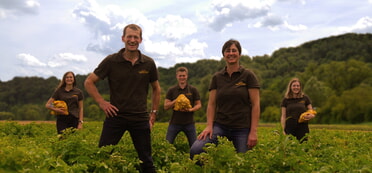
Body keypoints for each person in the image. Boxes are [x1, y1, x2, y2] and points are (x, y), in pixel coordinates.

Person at [84, 24, 160, 173]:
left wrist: (153, 114)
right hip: (115, 116)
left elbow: (156, 88)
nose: (132, 40)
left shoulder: (148, 63)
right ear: (123, 38)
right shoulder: (111, 61)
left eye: (135, 37)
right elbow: (89, 82)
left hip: (139, 118)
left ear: (140, 40)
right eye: (129, 37)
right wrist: (102, 102)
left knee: (146, 161)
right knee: (102, 156)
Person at [190, 39, 260, 160]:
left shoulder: (248, 76)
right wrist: (209, 126)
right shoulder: (217, 77)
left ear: (239, 54)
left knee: (243, 162)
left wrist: (253, 131)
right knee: (196, 150)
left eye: (234, 50)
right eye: (228, 51)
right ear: (224, 55)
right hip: (220, 126)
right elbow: (211, 104)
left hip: (242, 128)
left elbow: (256, 105)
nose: (231, 53)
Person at [164, 67, 202, 148]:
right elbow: (166, 106)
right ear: (177, 76)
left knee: (194, 147)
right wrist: (176, 100)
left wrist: (191, 109)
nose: (182, 77)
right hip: (174, 123)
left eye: (183, 76)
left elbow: (199, 104)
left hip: (189, 123)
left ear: (187, 76)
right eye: (180, 76)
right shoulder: (171, 90)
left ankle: (194, 160)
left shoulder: (193, 89)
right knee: (167, 145)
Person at [281, 78, 315, 142]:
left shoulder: (305, 98)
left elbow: (312, 112)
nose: (296, 87)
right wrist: (283, 129)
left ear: (300, 87)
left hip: (302, 127)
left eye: (298, 86)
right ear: (290, 87)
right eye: (294, 86)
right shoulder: (285, 100)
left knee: (303, 147)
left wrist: (310, 116)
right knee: (290, 147)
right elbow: (283, 116)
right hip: (289, 128)